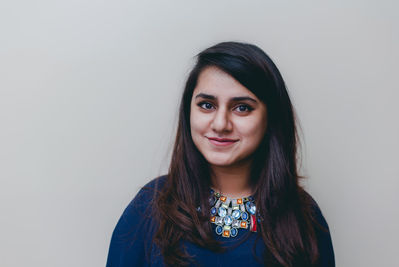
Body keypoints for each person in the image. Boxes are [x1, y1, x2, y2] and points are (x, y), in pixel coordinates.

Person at [106, 41, 335, 267]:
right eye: (207, 105)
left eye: (242, 107)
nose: (220, 123)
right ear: (188, 112)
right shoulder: (149, 207)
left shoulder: (304, 217)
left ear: (271, 119)